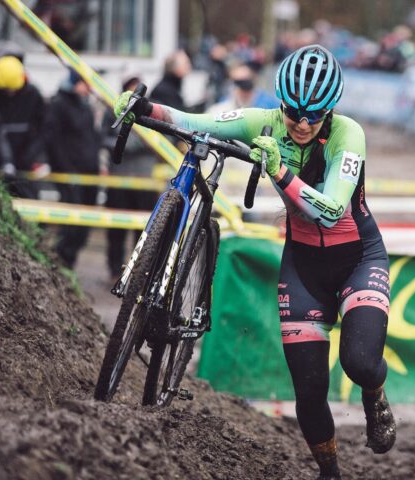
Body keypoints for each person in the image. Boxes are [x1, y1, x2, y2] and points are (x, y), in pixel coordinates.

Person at [114, 44, 395, 479]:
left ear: (329, 113)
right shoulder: (263, 122)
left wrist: (281, 171)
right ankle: (330, 472)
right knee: (309, 388)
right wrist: (142, 106)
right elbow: (196, 122)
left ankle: (375, 394)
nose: (301, 123)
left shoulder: (348, 135)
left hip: (358, 258)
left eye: (313, 116)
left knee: (359, 363)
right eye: (293, 113)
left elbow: (334, 208)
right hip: (304, 267)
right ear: (280, 104)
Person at [101, 75, 159, 281]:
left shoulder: (152, 111)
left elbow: (161, 140)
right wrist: (127, 142)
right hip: (119, 179)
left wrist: (131, 141)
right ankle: (114, 269)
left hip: (145, 180)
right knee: (116, 230)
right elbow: (105, 137)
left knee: (143, 230)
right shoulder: (113, 109)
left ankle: (138, 271)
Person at [45, 69, 101, 269]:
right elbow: (53, 141)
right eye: (86, 83)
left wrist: (98, 165)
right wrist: (65, 170)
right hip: (70, 173)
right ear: (76, 83)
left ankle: (68, 263)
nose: (89, 88)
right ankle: (60, 264)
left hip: (89, 173)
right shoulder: (59, 105)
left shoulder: (84, 106)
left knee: (84, 224)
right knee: (71, 225)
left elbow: (91, 138)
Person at [0, 54, 48, 198]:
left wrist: (32, 155)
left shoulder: (33, 96)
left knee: (28, 198)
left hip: (25, 161)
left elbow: (43, 129)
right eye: (6, 90)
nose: (11, 93)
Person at [206, 63, 279, 115]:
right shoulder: (225, 102)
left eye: (244, 81)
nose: (239, 88)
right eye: (235, 83)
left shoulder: (268, 103)